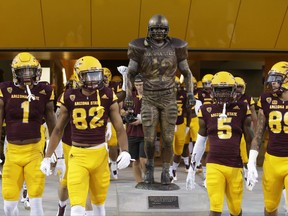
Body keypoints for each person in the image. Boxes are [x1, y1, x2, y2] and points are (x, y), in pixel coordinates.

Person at [40, 56, 131, 216]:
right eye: (89, 75)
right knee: (76, 208)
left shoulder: (107, 94)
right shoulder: (70, 96)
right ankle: (62, 207)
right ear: (79, 76)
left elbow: (120, 127)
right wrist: (48, 156)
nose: (94, 80)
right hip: (78, 155)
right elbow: (58, 129)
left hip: (100, 155)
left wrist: (124, 150)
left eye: (96, 75)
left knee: (99, 207)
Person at [125, 14, 195, 185]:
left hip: (169, 96)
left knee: (168, 138)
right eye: (155, 29)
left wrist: (190, 93)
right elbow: (130, 73)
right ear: (149, 30)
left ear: (167, 30)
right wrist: (128, 95)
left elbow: (187, 73)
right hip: (149, 96)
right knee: (149, 139)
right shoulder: (139, 47)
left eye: (161, 29)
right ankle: (149, 167)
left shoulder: (177, 47)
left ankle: (165, 169)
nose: (158, 32)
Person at [186, 71, 254, 216]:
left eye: (227, 90)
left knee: (235, 209)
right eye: (219, 90)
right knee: (215, 207)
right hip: (214, 164)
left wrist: (250, 165)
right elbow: (200, 141)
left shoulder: (242, 108)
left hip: (235, 165)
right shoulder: (206, 110)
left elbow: (250, 139)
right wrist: (193, 167)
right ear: (212, 91)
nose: (223, 94)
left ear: (234, 90)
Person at [0, 52, 56, 216]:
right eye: (22, 72)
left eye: (30, 71)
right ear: (15, 72)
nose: (26, 75)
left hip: (34, 151)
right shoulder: (6, 89)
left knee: (36, 202)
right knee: (8, 205)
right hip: (12, 151)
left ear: (36, 71)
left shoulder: (44, 90)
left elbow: (52, 120)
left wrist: (54, 150)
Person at [246, 61, 288, 216]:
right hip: (272, 160)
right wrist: (251, 162)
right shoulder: (266, 99)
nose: (272, 83)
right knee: (270, 208)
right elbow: (258, 134)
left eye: (277, 78)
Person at [123, 74, 146, 183]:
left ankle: (147, 178)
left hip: (145, 133)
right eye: (137, 84)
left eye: (141, 84)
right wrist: (126, 114)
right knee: (135, 160)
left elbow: (157, 113)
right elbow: (121, 110)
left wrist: (142, 120)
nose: (139, 87)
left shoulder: (150, 97)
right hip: (131, 132)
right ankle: (139, 182)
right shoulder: (130, 96)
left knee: (143, 159)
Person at [103, 67, 125, 180]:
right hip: (100, 120)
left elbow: (120, 101)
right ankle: (104, 168)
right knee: (102, 146)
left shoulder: (114, 86)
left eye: (106, 77)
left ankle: (114, 164)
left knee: (113, 145)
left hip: (112, 119)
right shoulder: (96, 86)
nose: (104, 79)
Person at [234, 76, 258, 182]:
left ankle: (249, 168)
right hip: (234, 126)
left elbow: (253, 115)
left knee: (248, 145)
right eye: (237, 87)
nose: (239, 89)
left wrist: (257, 129)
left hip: (246, 125)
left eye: (240, 87)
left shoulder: (248, 98)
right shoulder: (230, 98)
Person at [169, 76, 190, 182]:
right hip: (169, 125)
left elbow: (188, 110)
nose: (175, 87)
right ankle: (169, 171)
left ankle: (173, 169)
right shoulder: (165, 95)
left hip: (181, 123)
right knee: (170, 149)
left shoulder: (183, 94)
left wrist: (188, 125)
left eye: (176, 85)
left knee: (179, 151)